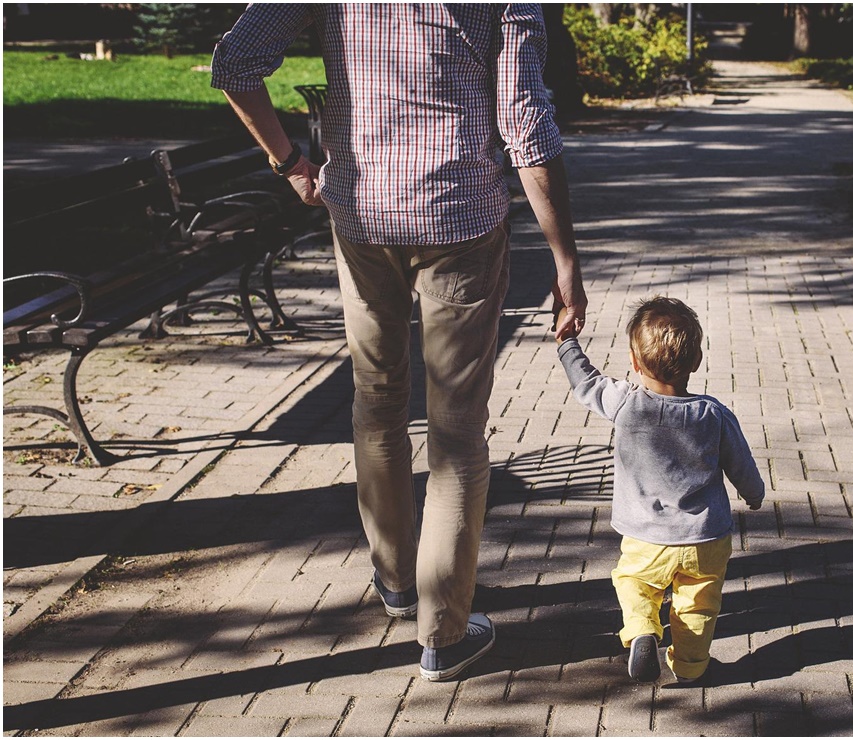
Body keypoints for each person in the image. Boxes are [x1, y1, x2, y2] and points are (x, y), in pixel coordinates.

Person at [211, 4, 587, 682]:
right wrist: (564, 258)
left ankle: (396, 580)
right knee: (457, 433)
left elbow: (236, 63)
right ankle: (442, 634)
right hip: (460, 217)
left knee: (377, 401)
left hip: (362, 214)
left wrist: (291, 164)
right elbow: (526, 126)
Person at [555, 297, 764, 684]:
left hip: (647, 537)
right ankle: (690, 667)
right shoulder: (713, 413)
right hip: (706, 538)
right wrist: (754, 493)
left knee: (634, 583)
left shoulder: (626, 403)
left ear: (635, 363)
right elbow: (741, 463)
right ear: (696, 362)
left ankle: (642, 632)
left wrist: (567, 343)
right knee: (698, 607)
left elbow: (586, 382)